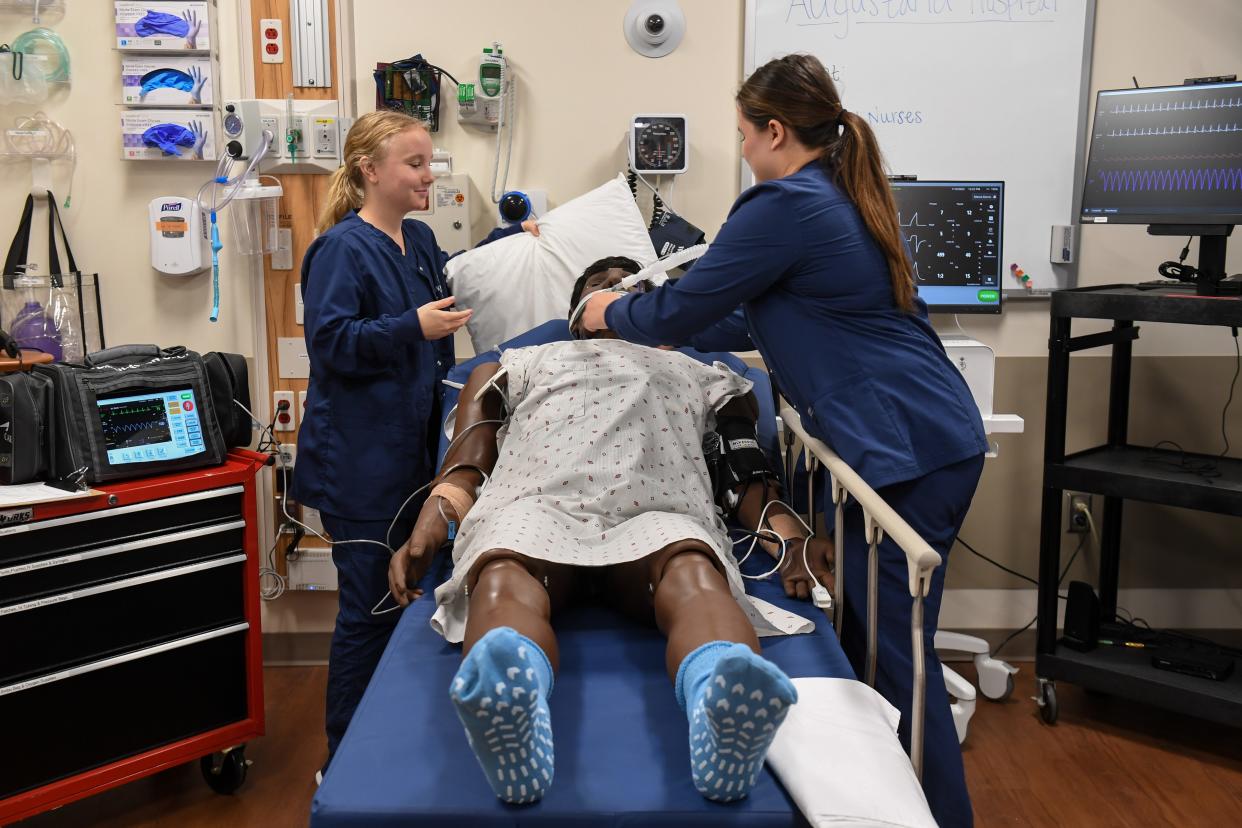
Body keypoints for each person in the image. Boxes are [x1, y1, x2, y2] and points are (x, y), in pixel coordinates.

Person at [579, 55, 986, 827]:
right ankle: (880, 798)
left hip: (909, 446)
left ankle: (941, 814)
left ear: (775, 130)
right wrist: (675, 340)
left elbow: (681, 307)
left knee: (898, 656)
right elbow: (750, 316)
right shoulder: (833, 193)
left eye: (743, 134)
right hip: (925, 435)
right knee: (874, 639)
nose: (740, 150)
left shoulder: (784, 204)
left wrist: (609, 314)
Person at [387, 256, 833, 805]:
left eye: (640, 289)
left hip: (659, 509)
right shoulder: (519, 364)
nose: (622, 290)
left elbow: (745, 477)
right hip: (537, 504)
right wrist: (431, 523)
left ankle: (720, 692)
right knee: (501, 574)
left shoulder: (710, 376)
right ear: (577, 313)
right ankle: (512, 696)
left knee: (693, 572)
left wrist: (789, 538)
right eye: (602, 285)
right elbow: (469, 461)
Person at [293, 110, 536, 772]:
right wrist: (411, 327)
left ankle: (390, 748)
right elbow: (332, 343)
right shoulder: (342, 249)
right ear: (371, 171)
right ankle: (342, 762)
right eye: (415, 164)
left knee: (407, 606)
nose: (430, 176)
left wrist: (519, 238)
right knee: (369, 613)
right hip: (362, 467)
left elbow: (455, 274)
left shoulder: (418, 240)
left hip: (412, 457)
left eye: (430, 163)